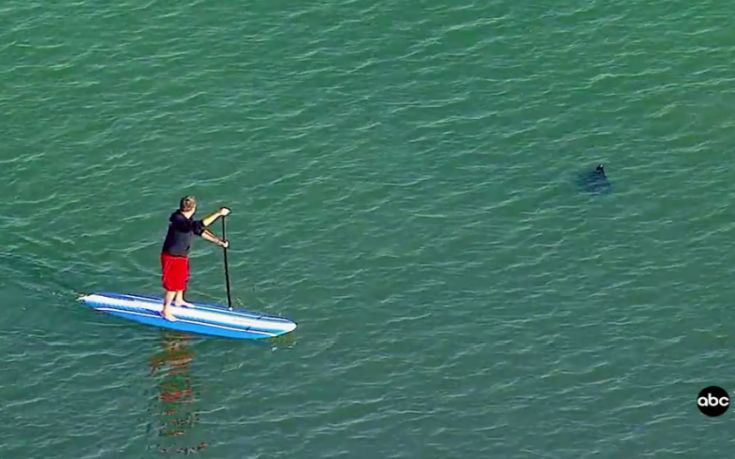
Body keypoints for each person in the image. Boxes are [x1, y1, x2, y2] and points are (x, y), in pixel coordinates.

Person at [160, 196, 230, 321]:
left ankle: (179, 300)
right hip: (172, 257)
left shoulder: (186, 219)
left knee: (182, 278)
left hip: (181, 256)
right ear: (194, 208)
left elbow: (199, 230)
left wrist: (218, 241)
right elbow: (200, 224)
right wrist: (218, 213)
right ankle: (165, 311)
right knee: (173, 285)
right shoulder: (179, 220)